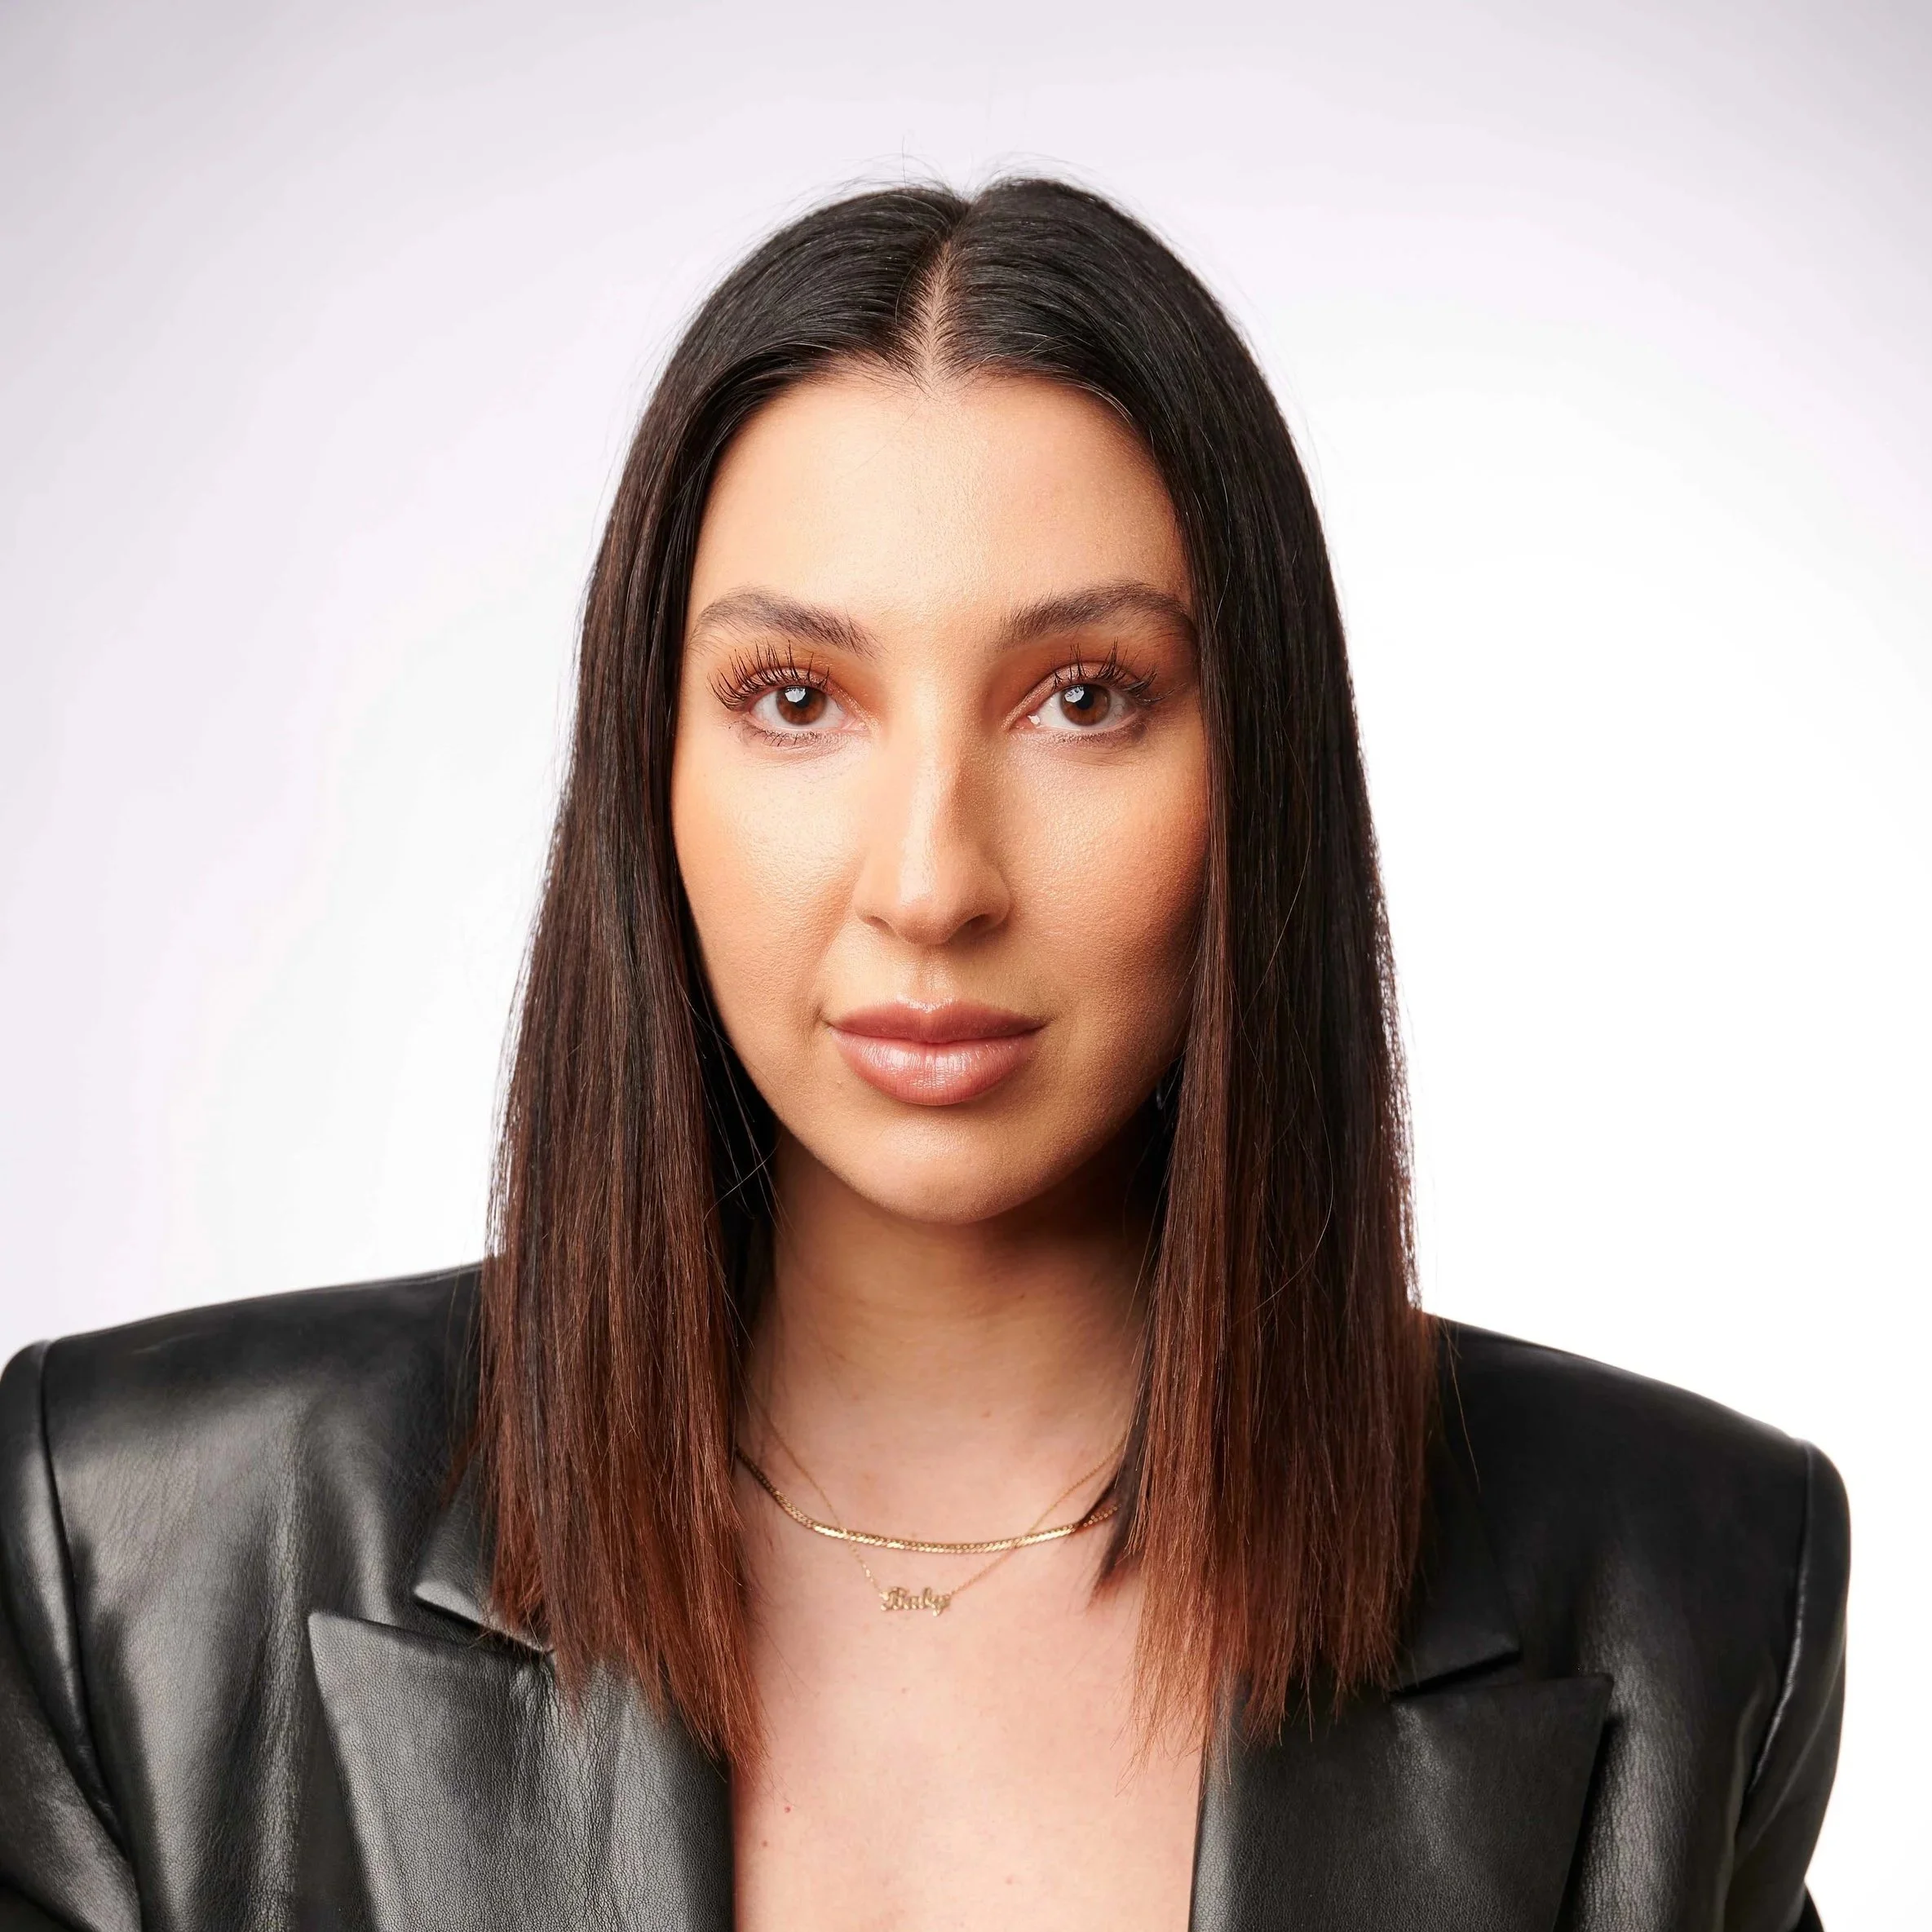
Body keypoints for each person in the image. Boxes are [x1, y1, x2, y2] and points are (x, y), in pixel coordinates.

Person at [0, 179, 1846, 1932]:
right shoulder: (143, 1548)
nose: (930, 880)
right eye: (797, 700)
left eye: (1083, 698)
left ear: (1257, 782)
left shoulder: (1680, 1598)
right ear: (650, 772)